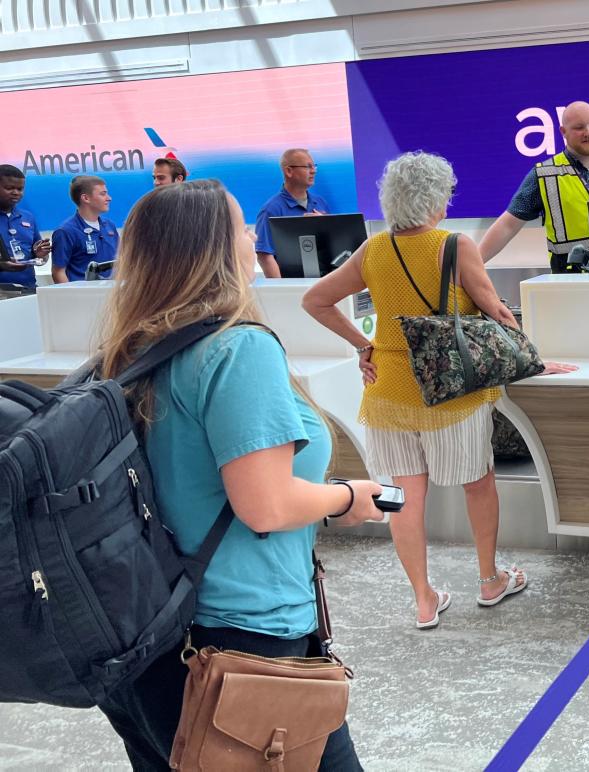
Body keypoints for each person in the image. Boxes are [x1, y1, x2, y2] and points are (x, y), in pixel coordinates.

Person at [93, 179, 384, 770]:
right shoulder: (237, 350)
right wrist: (346, 496)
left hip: (150, 634)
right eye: (240, 226)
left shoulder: (130, 352)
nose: (253, 235)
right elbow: (267, 504)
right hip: (243, 637)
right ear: (214, 250)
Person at [303, 152, 577, 628]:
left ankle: (424, 600)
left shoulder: (374, 250)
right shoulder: (455, 246)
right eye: (447, 194)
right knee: (479, 484)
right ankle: (490, 581)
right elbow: (496, 312)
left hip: (388, 393)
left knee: (403, 496)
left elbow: (315, 300)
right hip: (454, 394)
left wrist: (363, 345)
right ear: (433, 199)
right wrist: (532, 360)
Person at [479, 101, 589, 272]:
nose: (588, 133)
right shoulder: (545, 175)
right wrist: (471, 266)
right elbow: (508, 225)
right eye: (579, 127)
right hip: (569, 284)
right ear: (563, 132)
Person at [254, 148, 330, 278]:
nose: (313, 171)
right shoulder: (271, 210)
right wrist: (282, 290)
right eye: (307, 167)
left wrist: (327, 223)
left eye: (314, 166)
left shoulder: (320, 203)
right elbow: (264, 256)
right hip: (293, 286)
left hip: (324, 282)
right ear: (289, 171)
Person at [52, 175, 118, 283]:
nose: (109, 198)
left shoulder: (109, 226)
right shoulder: (65, 232)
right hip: (84, 296)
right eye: (103, 194)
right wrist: (73, 298)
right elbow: (58, 272)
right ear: (86, 198)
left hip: (111, 294)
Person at [0, 164, 51, 289]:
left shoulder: (28, 217)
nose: (16, 193)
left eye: (20, 189)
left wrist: (40, 254)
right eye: (9, 188)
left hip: (28, 288)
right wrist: (2, 265)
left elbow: (40, 256)